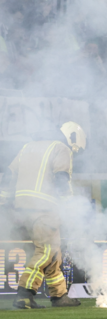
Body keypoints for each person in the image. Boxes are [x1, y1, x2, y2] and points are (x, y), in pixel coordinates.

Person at [0, 122, 87, 309]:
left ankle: (59, 295)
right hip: (44, 207)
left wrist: (4, 200)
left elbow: (8, 174)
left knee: (54, 252)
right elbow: (62, 180)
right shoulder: (61, 148)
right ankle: (25, 293)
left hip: (22, 208)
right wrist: (70, 206)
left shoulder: (27, 147)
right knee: (46, 251)